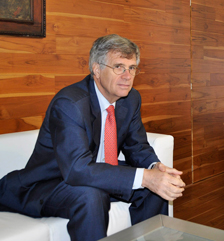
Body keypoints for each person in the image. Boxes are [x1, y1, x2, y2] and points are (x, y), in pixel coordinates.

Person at [0, 34, 185, 241]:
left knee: (155, 187)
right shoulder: (70, 104)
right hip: (49, 183)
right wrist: (144, 177)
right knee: (91, 195)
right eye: (119, 67)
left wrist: (153, 168)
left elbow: (137, 146)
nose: (127, 75)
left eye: (132, 68)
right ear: (96, 69)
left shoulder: (130, 98)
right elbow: (76, 170)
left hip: (94, 174)